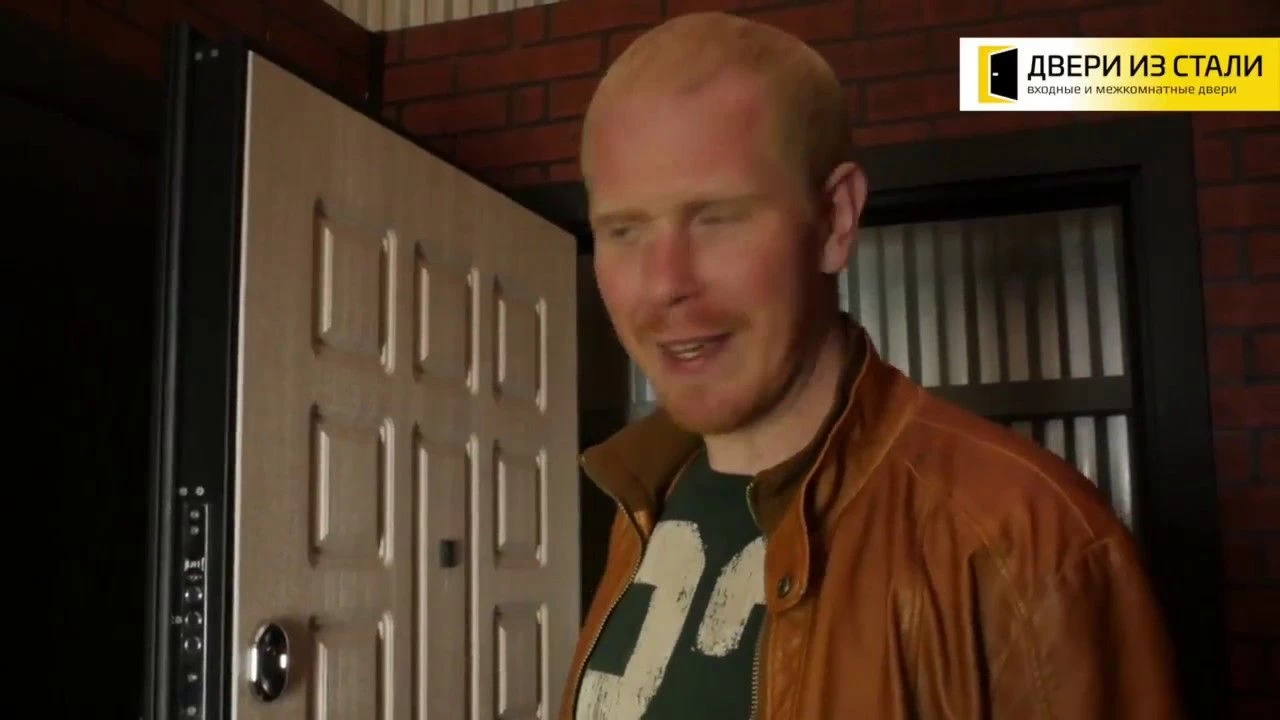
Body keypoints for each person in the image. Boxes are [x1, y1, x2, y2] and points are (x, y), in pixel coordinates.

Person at [562, 11, 1182, 720]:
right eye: (624, 230)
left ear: (836, 219)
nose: (664, 283)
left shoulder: (1028, 544)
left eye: (717, 217)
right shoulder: (641, 497)